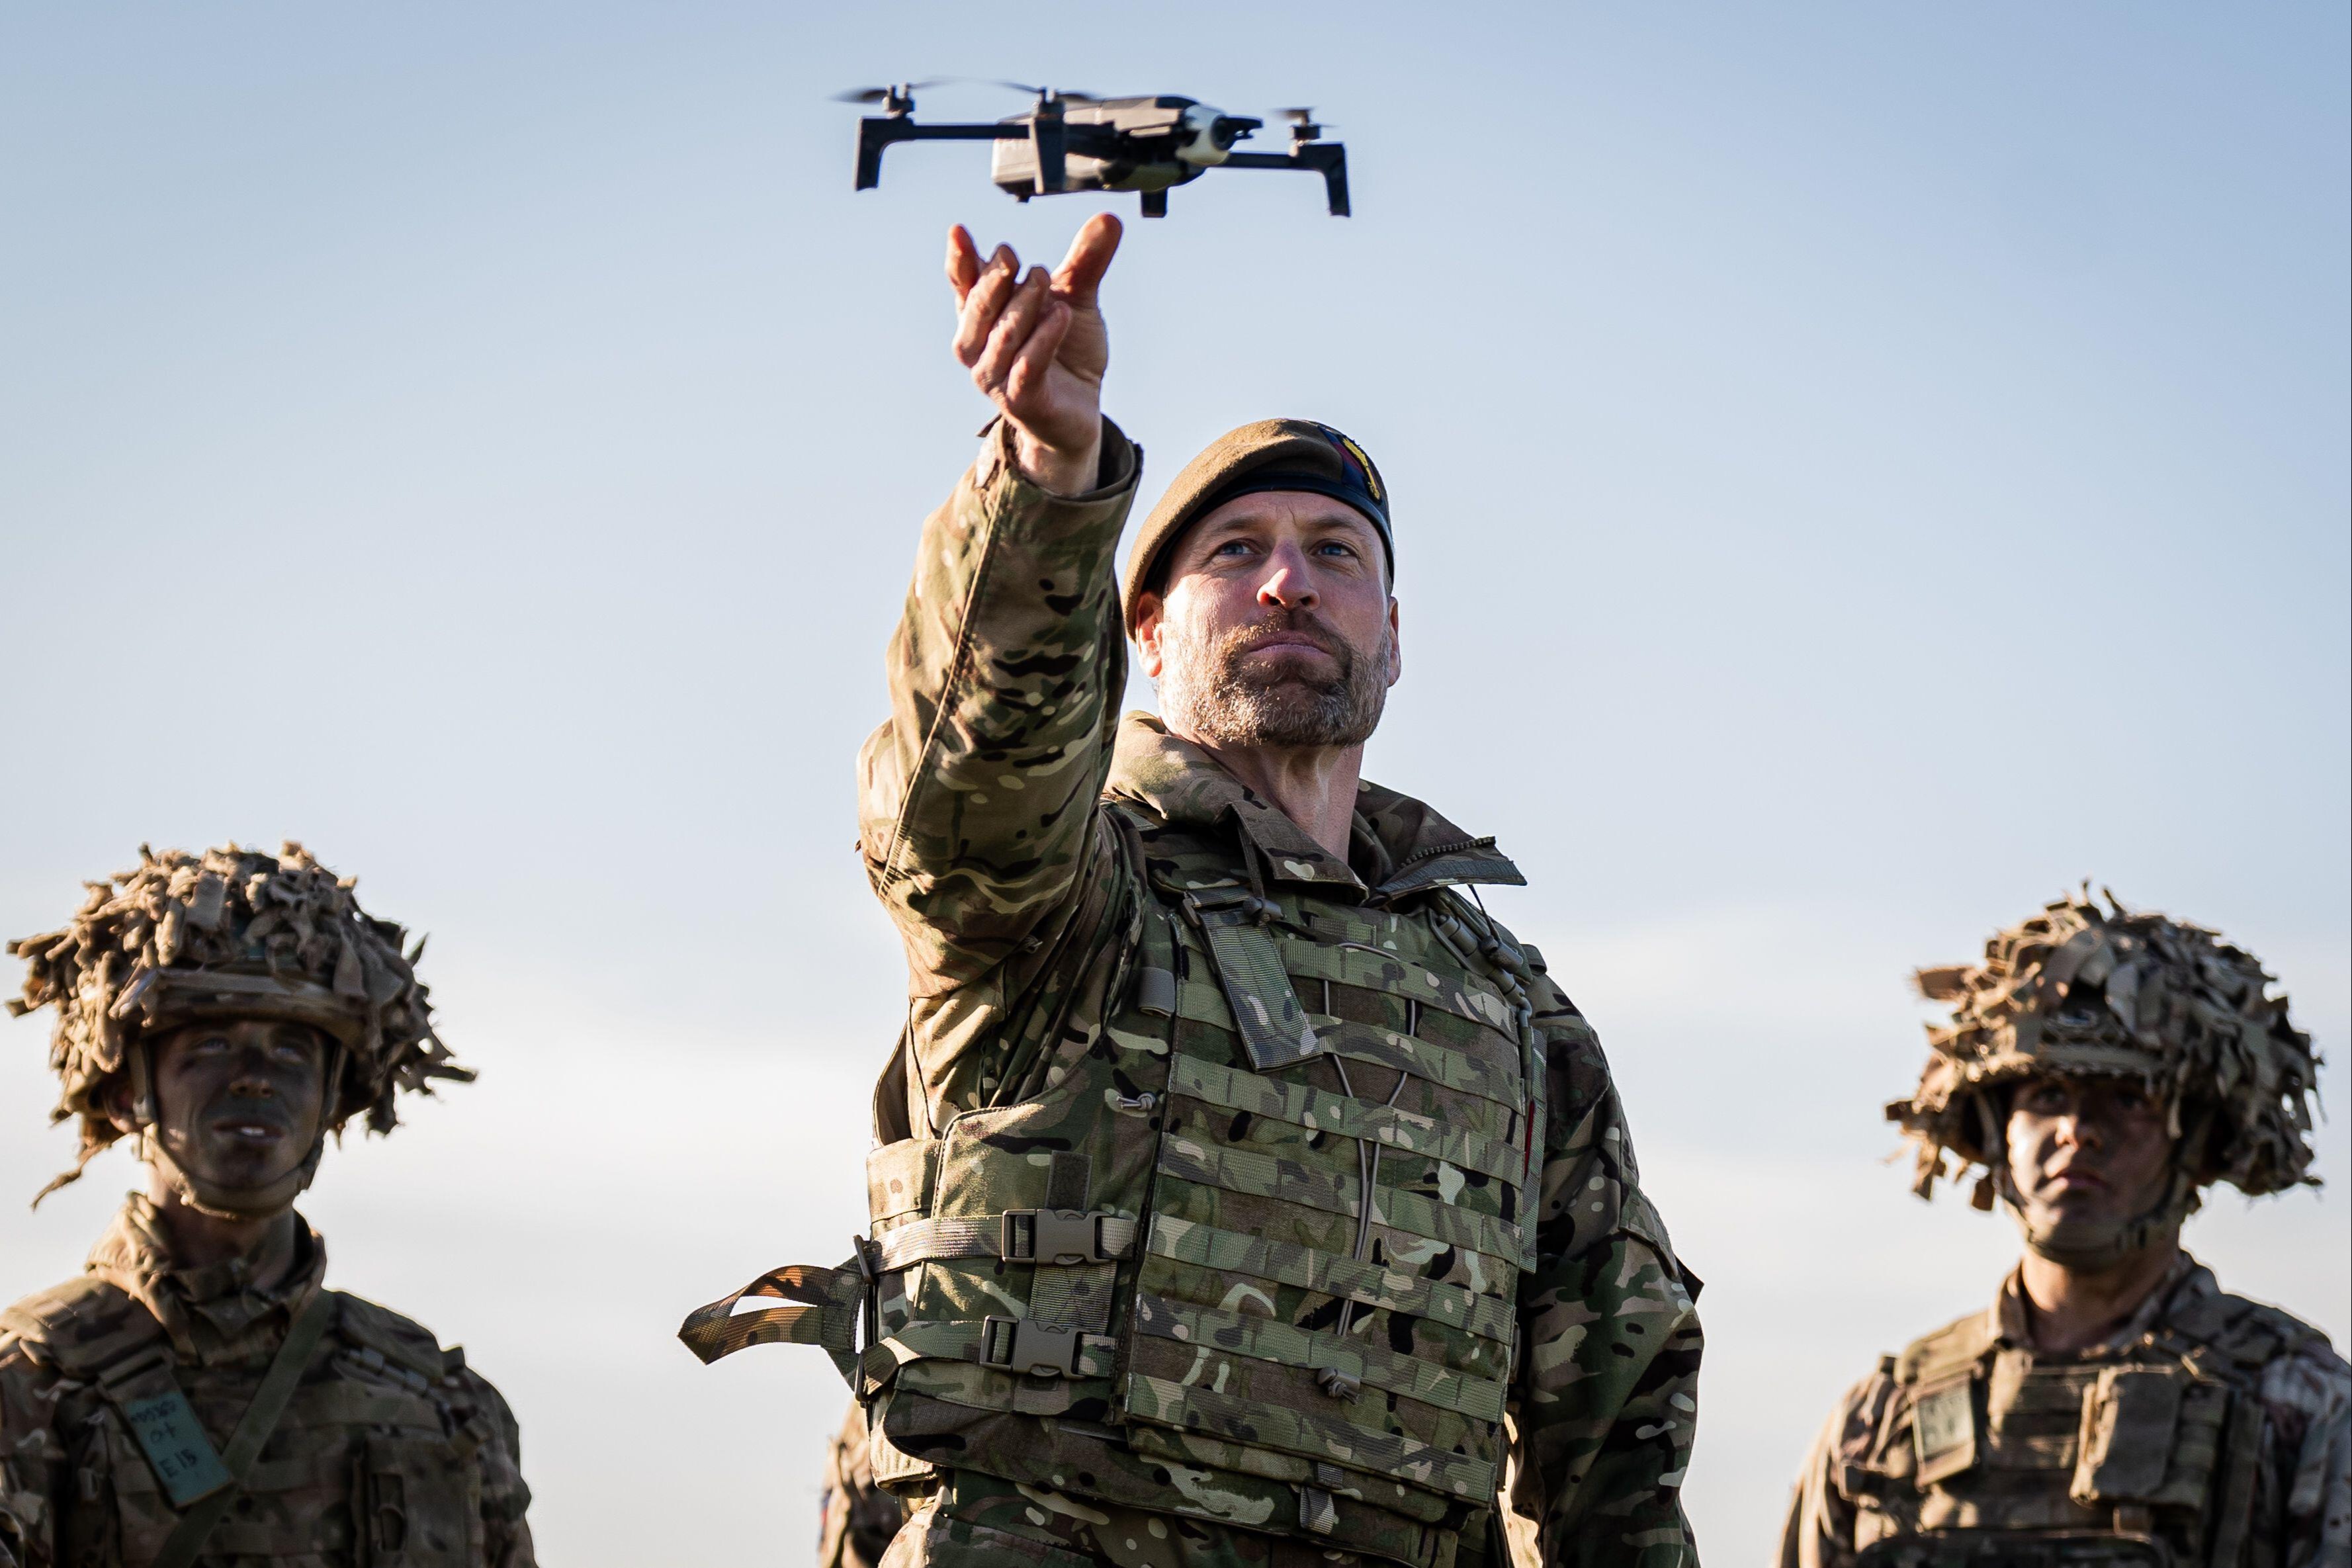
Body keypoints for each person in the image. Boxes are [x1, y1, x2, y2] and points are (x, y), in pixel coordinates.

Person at [679, 214, 1702, 1567]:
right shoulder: (1073, 899)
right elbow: (966, 795)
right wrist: (1049, 476)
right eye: (1235, 553)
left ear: (1392, 638)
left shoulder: (1506, 1005)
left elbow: (1616, 1417)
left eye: (1338, 554)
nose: (1289, 582)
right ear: (1145, 628)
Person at [0, 842, 537, 1568]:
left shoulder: (443, 1404)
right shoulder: (33, 1381)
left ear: (333, 1098)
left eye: (292, 1052)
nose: (255, 1079)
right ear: (128, 1095)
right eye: (213, 1044)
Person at [1779, 890, 2349, 1568]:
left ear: (2194, 1142)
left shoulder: (2296, 1402)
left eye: (2127, 1098)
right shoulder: (1880, 1417)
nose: (2078, 1132)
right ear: (1997, 1132)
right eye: (2047, 1096)